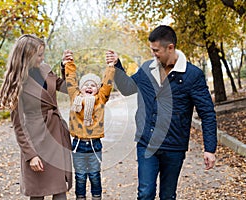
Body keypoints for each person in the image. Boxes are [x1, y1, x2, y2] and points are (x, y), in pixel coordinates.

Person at [105, 25, 217, 200]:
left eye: (156, 50)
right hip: (147, 143)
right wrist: (117, 67)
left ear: (170, 47)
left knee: (167, 195)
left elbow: (207, 113)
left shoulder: (192, 75)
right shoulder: (146, 69)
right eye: (152, 50)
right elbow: (127, 88)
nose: (153, 54)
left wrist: (210, 148)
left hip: (174, 146)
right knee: (145, 193)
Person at [0, 34, 72, 200]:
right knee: (38, 194)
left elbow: (65, 88)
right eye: (38, 55)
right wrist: (31, 155)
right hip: (36, 143)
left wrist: (66, 68)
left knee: (60, 193)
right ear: (27, 56)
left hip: (56, 137)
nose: (42, 58)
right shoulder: (17, 83)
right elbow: (18, 125)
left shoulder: (45, 68)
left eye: (42, 54)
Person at [61, 49, 115, 200]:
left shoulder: (100, 99)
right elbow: (70, 80)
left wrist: (110, 66)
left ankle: (96, 197)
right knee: (80, 176)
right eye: (86, 84)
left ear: (98, 89)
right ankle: (80, 197)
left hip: (94, 145)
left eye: (93, 85)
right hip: (78, 145)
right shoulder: (75, 97)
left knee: (94, 175)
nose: (89, 87)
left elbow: (108, 84)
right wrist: (68, 63)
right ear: (80, 87)